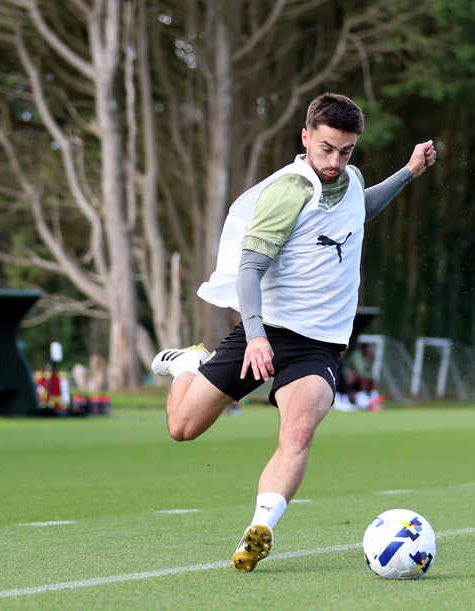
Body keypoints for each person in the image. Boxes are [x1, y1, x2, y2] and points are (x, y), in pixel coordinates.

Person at [151, 93, 436, 572]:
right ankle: (186, 364)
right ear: (305, 138)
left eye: (345, 151)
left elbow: (358, 210)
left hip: (319, 344)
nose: (335, 161)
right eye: (326, 149)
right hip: (266, 331)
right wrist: (256, 336)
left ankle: (258, 528)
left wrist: (408, 172)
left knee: (299, 427)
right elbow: (250, 268)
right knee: (182, 428)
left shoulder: (350, 177)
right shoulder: (288, 192)